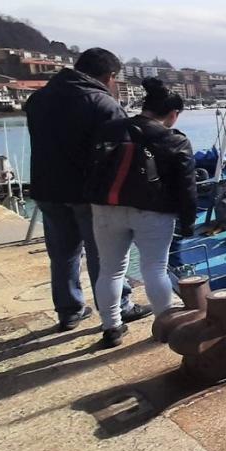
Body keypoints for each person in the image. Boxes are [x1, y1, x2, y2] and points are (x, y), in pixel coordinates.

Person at [24, 48, 148, 331]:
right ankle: (118, 307)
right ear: (110, 76)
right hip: (87, 193)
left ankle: (69, 312)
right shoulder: (101, 104)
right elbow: (123, 153)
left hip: (47, 189)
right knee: (105, 254)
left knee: (63, 254)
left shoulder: (38, 99)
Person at [88, 78, 197, 347]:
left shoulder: (108, 129)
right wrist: (188, 222)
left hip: (105, 208)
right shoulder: (174, 140)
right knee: (156, 269)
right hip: (153, 212)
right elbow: (187, 187)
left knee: (111, 270)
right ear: (173, 114)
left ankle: (111, 327)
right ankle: (164, 325)